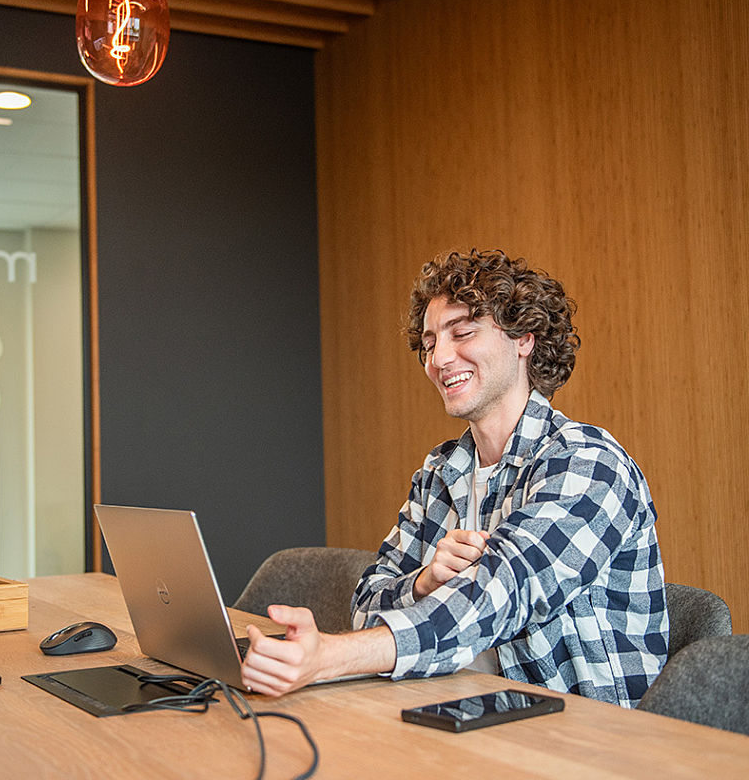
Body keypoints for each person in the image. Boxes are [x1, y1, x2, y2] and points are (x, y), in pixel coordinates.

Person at [242, 250, 668, 707]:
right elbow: (367, 605)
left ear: (523, 338)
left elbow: (500, 594)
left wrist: (331, 656)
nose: (439, 358)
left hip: (588, 740)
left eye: (462, 332)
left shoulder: (590, 464)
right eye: (429, 344)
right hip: (472, 711)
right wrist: (423, 583)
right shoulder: (439, 472)